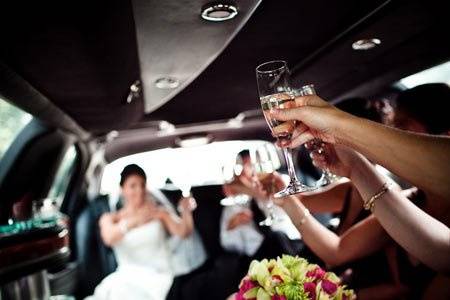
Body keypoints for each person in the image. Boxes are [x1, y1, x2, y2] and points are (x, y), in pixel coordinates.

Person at [268, 87, 450, 273]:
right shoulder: (408, 198)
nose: (396, 133)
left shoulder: (395, 195)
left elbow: (337, 252)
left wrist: (339, 129)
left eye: (403, 126)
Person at [86, 164, 200, 300]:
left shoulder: (159, 213)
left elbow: (184, 232)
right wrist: (134, 221)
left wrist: (186, 211)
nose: (139, 190)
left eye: (142, 185)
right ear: (122, 189)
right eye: (133, 186)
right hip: (126, 276)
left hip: (158, 276)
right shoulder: (110, 219)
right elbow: (109, 238)